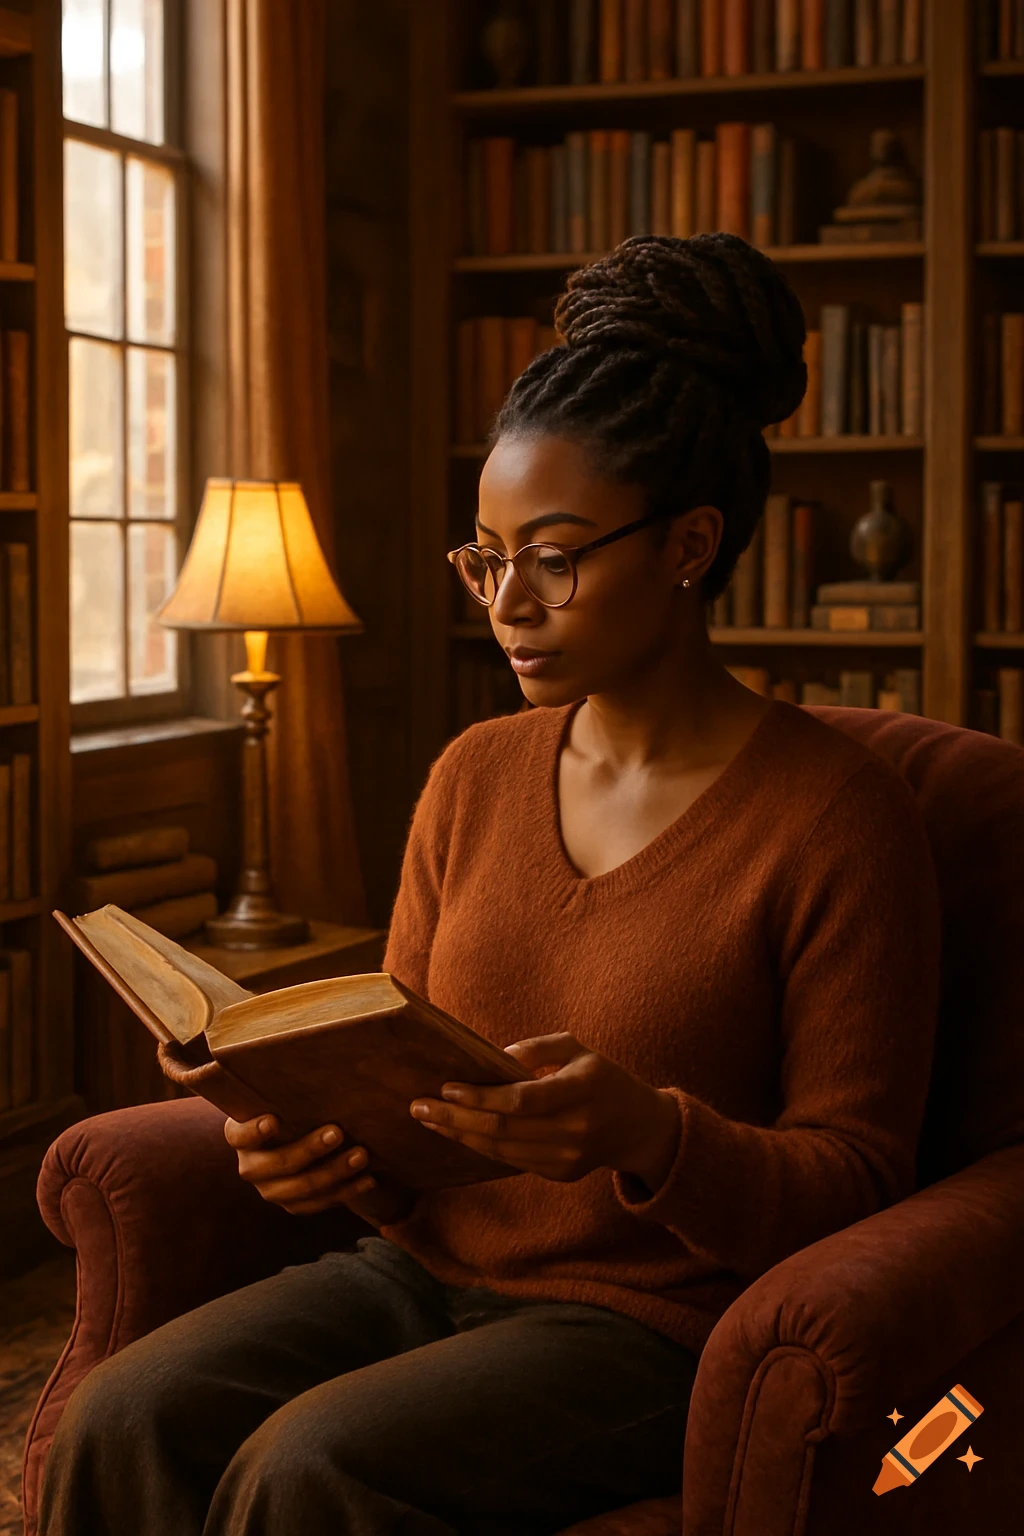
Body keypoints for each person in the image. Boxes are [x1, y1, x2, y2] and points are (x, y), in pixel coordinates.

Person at [38, 233, 942, 1536]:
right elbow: (404, 1091)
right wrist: (319, 1149)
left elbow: (860, 1182)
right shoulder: (473, 775)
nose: (506, 603)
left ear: (690, 543)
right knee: (125, 1413)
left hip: (657, 1325)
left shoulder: (838, 820)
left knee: (311, 1464)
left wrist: (653, 1137)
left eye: (556, 557)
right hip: (423, 1270)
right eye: (484, 557)